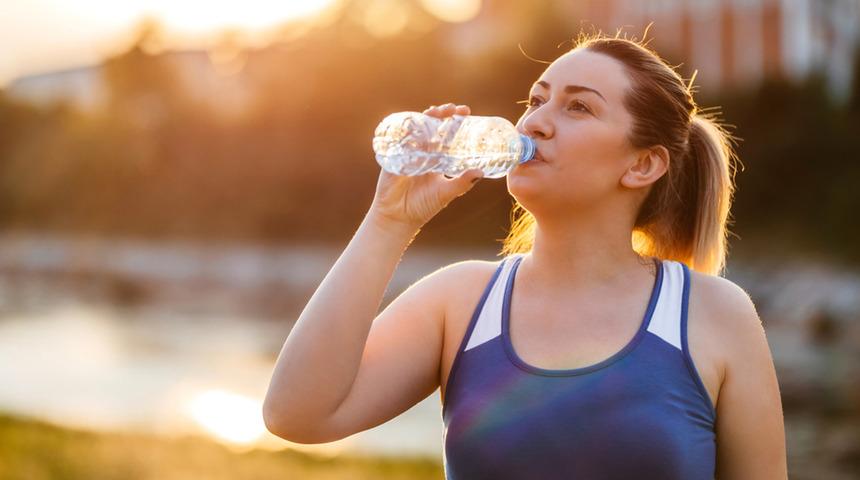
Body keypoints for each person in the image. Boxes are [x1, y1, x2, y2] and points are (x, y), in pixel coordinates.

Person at [262, 31, 787, 480]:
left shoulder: (715, 314)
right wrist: (389, 220)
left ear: (643, 166)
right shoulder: (460, 301)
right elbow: (297, 415)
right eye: (536, 100)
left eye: (577, 106)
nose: (534, 122)